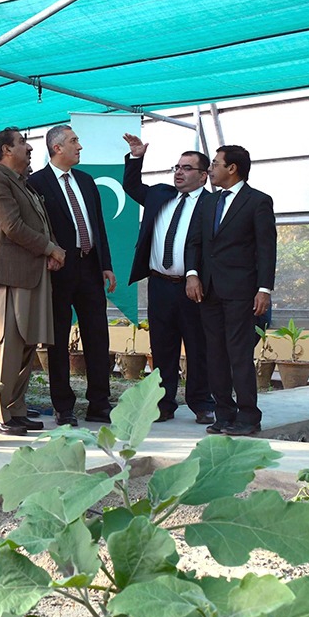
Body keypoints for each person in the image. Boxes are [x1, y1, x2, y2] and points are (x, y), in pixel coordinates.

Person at [122, 133, 216, 425]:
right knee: (162, 347)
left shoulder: (213, 204)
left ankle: (202, 403)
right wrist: (136, 157)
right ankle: (163, 404)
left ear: (203, 176)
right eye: (177, 167)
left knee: (198, 346)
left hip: (194, 287)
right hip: (160, 284)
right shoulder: (160, 194)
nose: (179, 172)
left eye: (187, 168)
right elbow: (131, 186)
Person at [185, 145, 276, 436]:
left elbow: (266, 248)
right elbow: (194, 242)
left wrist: (264, 289)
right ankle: (224, 414)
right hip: (208, 291)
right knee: (215, 354)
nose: (210, 169)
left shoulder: (258, 201)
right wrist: (192, 274)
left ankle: (248, 417)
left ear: (232, 168)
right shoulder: (209, 202)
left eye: (215, 164)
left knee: (238, 354)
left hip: (241, 291)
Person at [29, 125, 115, 427]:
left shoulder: (86, 181)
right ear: (57, 148)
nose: (80, 146)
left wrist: (106, 265)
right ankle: (63, 406)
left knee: (97, 335)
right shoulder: (36, 183)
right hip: (58, 269)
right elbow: (35, 229)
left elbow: (98, 225)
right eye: (74, 141)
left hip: (89, 266)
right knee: (58, 338)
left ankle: (99, 403)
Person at [0, 127, 65, 436]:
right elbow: (12, 226)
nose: (29, 148)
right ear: (6, 150)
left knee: (28, 345)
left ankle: (15, 409)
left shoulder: (23, 183)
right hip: (10, 276)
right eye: (22, 143)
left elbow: (40, 223)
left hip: (34, 274)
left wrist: (52, 250)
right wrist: (50, 248)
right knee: (7, 346)